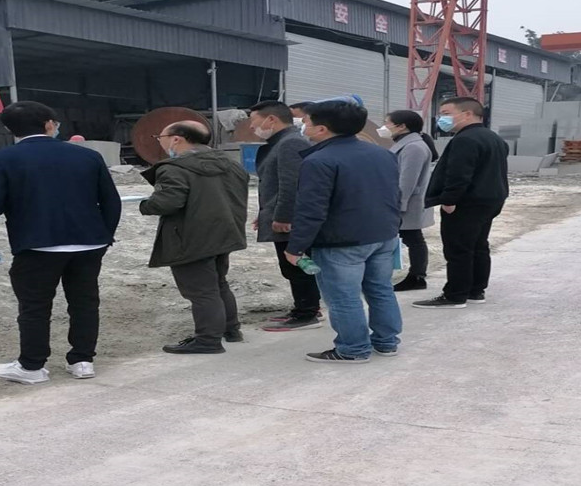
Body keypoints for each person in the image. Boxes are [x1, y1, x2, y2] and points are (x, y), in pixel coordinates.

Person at [0, 100, 122, 384]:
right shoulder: (87, 156)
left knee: (35, 306)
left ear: (9, 129)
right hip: (89, 244)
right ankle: (82, 361)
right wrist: (103, 236)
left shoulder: (0, 160)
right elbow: (111, 201)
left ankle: (32, 366)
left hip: (37, 245)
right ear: (50, 124)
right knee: (85, 303)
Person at [285, 98, 403, 363]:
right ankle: (386, 342)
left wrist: (296, 247)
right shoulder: (382, 154)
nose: (303, 125)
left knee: (343, 297)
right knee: (381, 290)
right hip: (382, 234)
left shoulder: (319, 161)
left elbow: (311, 209)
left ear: (322, 129)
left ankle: (353, 349)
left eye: (306, 121)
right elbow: (395, 194)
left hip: (341, 240)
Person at [140, 121, 250, 354]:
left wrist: (146, 205)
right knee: (218, 283)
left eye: (160, 137)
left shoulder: (175, 168)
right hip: (225, 233)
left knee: (201, 291)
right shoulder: (231, 164)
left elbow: (168, 202)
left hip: (190, 237)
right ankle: (231, 330)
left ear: (176, 139)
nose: (160, 143)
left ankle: (208, 340)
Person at [413, 96, 509, 309]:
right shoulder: (493, 138)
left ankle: (455, 295)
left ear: (467, 114)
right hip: (490, 200)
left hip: (467, 203)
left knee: (458, 249)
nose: (441, 118)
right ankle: (476, 290)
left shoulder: (465, 140)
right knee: (478, 245)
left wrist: (449, 200)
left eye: (447, 114)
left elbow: (458, 174)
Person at [248, 101, 321, 332]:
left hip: (290, 220)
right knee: (291, 266)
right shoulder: (280, 142)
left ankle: (307, 313)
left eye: (254, 121)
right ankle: (304, 307)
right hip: (281, 215)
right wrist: (265, 214)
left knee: (296, 265)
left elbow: (291, 185)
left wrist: (283, 217)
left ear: (271, 119)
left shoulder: (290, 143)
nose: (251, 126)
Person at [378, 109, 437, 292]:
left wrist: (398, 205)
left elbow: (407, 181)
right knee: (413, 238)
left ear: (402, 126)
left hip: (407, 203)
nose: (384, 126)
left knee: (414, 239)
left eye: (387, 122)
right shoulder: (408, 144)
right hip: (402, 201)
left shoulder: (414, 147)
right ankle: (416, 276)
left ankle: (417, 276)